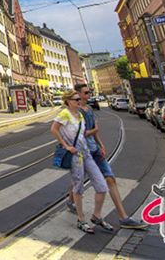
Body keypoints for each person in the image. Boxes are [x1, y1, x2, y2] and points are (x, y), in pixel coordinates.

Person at [67, 84, 147, 229]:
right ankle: (72, 201)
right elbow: (78, 133)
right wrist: (94, 130)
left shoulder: (89, 109)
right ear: (78, 94)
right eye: (86, 92)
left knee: (110, 179)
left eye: (89, 91)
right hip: (83, 151)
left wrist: (101, 145)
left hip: (95, 149)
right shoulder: (75, 112)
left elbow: (94, 130)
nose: (89, 93)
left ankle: (123, 217)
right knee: (78, 179)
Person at [50, 89, 109, 234]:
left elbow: (82, 133)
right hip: (75, 155)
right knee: (78, 185)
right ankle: (81, 219)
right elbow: (54, 129)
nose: (79, 101)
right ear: (69, 101)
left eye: (79, 99)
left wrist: (99, 143)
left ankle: (97, 215)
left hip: (86, 153)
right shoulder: (64, 114)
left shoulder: (80, 114)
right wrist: (66, 146)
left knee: (102, 185)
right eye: (76, 99)